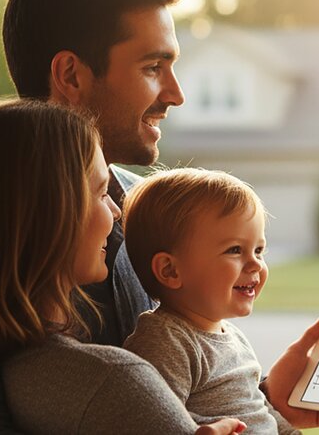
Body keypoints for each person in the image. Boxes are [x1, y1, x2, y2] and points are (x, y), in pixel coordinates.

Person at [0, 0, 319, 433]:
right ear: (72, 75)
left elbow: (169, 396)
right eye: (153, 67)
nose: (177, 93)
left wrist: (262, 407)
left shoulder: (150, 207)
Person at [0, 100, 245, 434]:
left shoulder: (25, 370)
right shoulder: (113, 379)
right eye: (100, 193)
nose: (116, 211)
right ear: (49, 215)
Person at [122, 169, 298, 434]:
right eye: (235, 250)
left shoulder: (232, 336)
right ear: (171, 271)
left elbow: (258, 408)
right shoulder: (165, 341)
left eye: (259, 250)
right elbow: (152, 421)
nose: (255, 264)